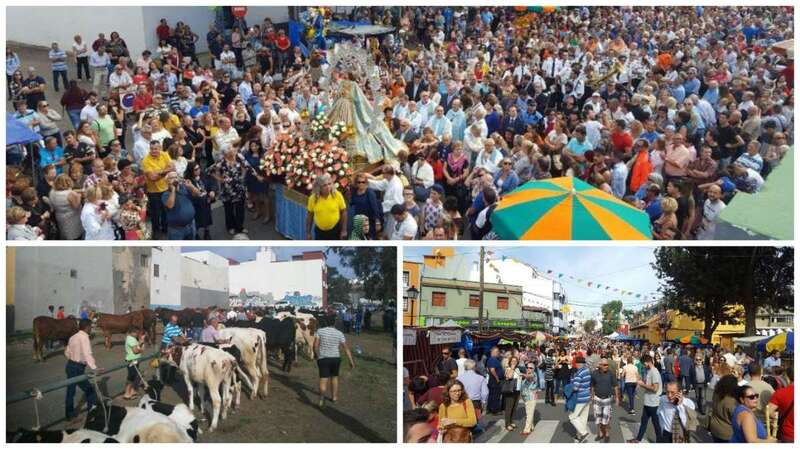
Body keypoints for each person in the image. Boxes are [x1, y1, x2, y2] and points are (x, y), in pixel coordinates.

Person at [313, 316, 355, 408]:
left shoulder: (320, 331)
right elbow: (346, 348)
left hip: (323, 358)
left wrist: (316, 354)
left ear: (326, 322)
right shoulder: (339, 333)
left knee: (323, 379)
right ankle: (334, 397)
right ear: (334, 323)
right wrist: (351, 361)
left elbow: (315, 345)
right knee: (334, 377)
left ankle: (321, 399)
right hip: (335, 358)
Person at [64, 319, 101, 422]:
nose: (91, 329)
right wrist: (94, 368)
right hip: (77, 368)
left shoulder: (73, 337)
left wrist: (73, 359)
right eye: (91, 327)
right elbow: (87, 353)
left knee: (70, 392)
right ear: (87, 327)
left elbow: (67, 352)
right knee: (90, 390)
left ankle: (69, 415)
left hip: (70, 365)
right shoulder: (84, 337)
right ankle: (92, 413)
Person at [628, 354, 662, 443]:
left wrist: (642, 385)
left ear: (647, 362)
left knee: (656, 424)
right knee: (644, 422)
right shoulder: (650, 371)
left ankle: (660, 442)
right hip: (648, 402)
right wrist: (641, 382)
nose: (643, 366)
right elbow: (650, 385)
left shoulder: (654, 372)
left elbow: (655, 388)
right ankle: (638, 439)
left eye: (644, 364)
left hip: (653, 403)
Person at [306, 173, 347, 240]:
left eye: (329, 184)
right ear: (319, 187)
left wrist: (344, 230)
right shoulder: (313, 199)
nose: (328, 187)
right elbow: (310, 215)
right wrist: (308, 233)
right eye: (324, 185)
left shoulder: (337, 195)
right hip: (320, 232)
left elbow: (343, 212)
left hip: (335, 230)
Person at [163, 171, 199, 240]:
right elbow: (170, 205)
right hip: (176, 230)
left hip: (191, 224)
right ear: (167, 182)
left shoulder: (184, 188)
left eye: (176, 177)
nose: (175, 179)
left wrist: (191, 186)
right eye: (172, 178)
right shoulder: (166, 194)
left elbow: (197, 194)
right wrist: (173, 190)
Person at [591, 357, 620, 442]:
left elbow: (615, 386)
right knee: (598, 418)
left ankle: (607, 434)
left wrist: (617, 397)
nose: (606, 366)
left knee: (606, 418)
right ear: (600, 365)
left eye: (607, 365)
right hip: (597, 398)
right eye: (604, 365)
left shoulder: (611, 373)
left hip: (607, 398)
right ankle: (600, 433)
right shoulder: (594, 373)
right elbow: (592, 385)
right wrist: (592, 396)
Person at [766, 367, 794, 443]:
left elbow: (769, 411)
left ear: (787, 377)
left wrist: (776, 417)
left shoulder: (780, 393)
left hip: (787, 436)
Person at [709, 374, 739, 442]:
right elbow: (735, 417)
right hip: (727, 433)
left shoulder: (716, 394)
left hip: (714, 428)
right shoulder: (731, 401)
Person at [569, 356, 592, 442]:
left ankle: (584, 433)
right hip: (587, 396)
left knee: (572, 417)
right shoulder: (587, 371)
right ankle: (579, 436)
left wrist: (570, 385)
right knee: (583, 418)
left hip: (580, 397)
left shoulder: (578, 373)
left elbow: (575, 388)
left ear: (577, 364)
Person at [123, 327, 145, 400]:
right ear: (132, 332)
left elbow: (137, 346)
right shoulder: (131, 339)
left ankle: (132, 391)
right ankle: (127, 393)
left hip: (135, 360)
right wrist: (141, 348)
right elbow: (135, 351)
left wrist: (141, 342)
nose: (137, 334)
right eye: (136, 333)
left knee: (134, 376)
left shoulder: (132, 338)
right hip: (132, 360)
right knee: (131, 377)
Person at [520, 360, 539, 436]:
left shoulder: (533, 374)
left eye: (531, 368)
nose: (529, 369)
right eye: (527, 367)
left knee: (529, 413)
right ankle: (531, 427)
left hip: (531, 397)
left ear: (533, 369)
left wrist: (523, 374)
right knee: (529, 412)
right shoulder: (528, 374)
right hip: (526, 397)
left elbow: (529, 377)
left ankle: (526, 430)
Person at [486, 346, 503, 414]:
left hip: (492, 380)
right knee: (496, 396)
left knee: (492, 395)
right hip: (495, 381)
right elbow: (492, 370)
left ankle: (490, 408)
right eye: (497, 352)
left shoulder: (492, 359)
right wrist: (497, 378)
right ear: (493, 352)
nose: (498, 353)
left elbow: (488, 370)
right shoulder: (493, 359)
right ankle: (495, 410)